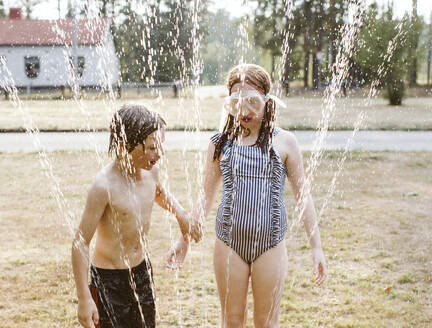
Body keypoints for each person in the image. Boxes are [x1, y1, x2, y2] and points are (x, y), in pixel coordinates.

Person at [175, 64, 327, 327]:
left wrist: (317, 247)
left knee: (267, 323)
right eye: (237, 101)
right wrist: (184, 240)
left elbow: (303, 196)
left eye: (252, 101)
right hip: (229, 243)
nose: (244, 110)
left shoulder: (285, 142)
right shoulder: (220, 143)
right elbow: (206, 196)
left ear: (267, 103)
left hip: (270, 244)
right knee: (232, 321)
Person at [72, 104, 199, 328]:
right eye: (151, 148)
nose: (159, 154)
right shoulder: (104, 186)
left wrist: (180, 214)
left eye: (160, 146)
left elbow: (159, 193)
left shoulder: (151, 172)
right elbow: (80, 243)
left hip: (141, 271)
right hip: (108, 280)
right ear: (123, 146)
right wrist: (84, 298)